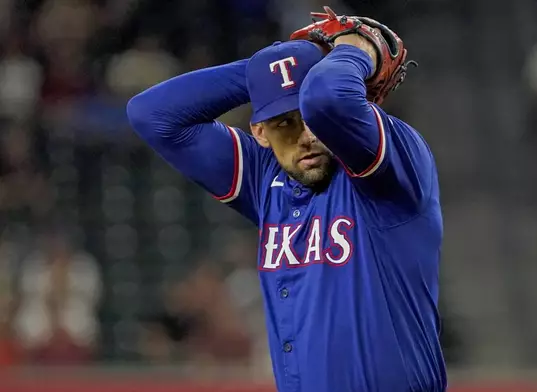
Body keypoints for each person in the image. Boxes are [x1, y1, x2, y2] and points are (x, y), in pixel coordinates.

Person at [127, 7, 445, 392]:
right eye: (284, 122)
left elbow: (329, 97)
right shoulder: (266, 179)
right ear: (259, 133)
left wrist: (359, 49)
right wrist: (274, 68)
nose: (306, 135)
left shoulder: (391, 166)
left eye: (312, 119)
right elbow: (152, 114)